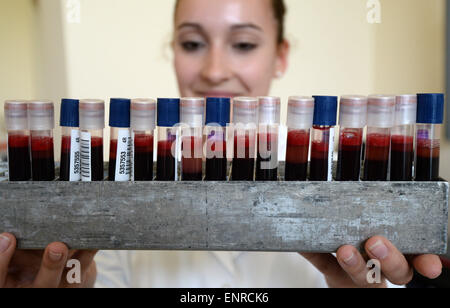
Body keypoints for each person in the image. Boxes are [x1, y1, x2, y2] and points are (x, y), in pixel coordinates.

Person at [0, 0, 443, 288]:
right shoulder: (127, 182)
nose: (214, 70)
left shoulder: (346, 175)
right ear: (171, 48)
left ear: (281, 53)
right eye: (193, 42)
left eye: (243, 43)